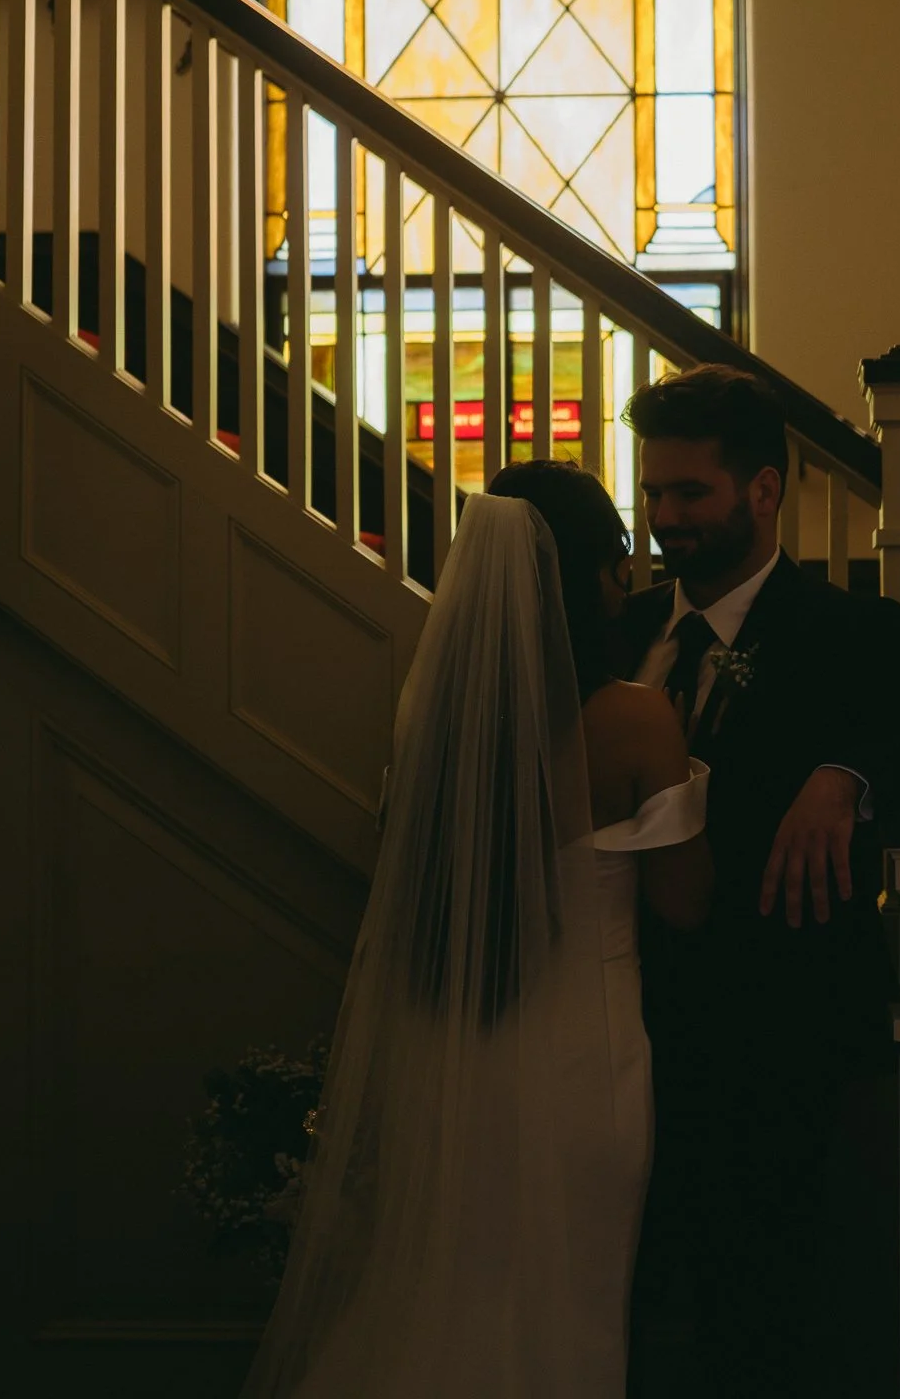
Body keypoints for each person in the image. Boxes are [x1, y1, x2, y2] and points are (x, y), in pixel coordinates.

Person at [241, 465, 712, 1399]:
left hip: (455, 1053)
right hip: (586, 1058)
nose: (630, 579)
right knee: (570, 1301)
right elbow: (684, 905)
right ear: (581, 575)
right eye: (617, 559)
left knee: (440, 1290)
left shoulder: (435, 721)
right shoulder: (634, 719)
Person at [619, 364, 900, 1399]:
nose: (664, 519)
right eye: (652, 494)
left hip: (770, 1030)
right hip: (612, 1021)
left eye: (688, 493)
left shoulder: (849, 632)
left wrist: (843, 777)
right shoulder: (619, 635)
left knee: (757, 1307)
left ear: (762, 493)